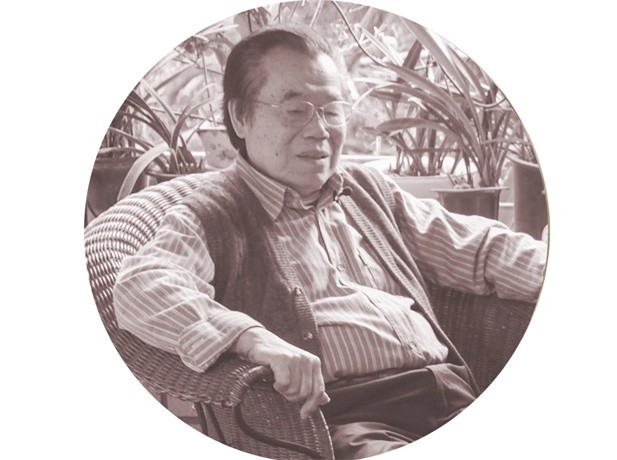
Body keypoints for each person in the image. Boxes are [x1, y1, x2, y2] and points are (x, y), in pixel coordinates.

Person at [113, 23, 546, 459]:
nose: (320, 130)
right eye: (296, 110)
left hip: (454, 392)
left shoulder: (369, 192)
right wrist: (251, 338)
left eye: (332, 110)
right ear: (241, 117)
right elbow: (143, 286)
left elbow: (481, 249)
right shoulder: (213, 214)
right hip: (349, 419)